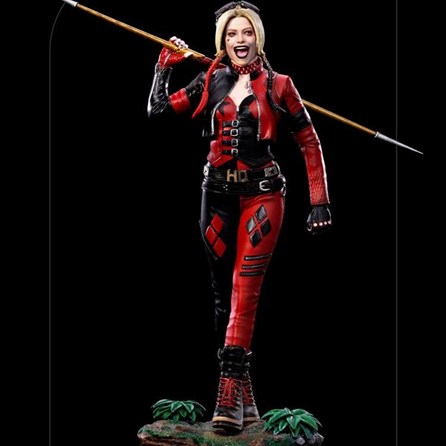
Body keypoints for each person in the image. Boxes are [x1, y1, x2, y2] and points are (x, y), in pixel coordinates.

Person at [147, 0, 332, 434]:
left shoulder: (280, 85)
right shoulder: (209, 78)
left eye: (247, 32)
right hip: (215, 197)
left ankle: (227, 393)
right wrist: (162, 68)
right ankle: (244, 394)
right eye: (232, 34)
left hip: (262, 197)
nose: (240, 40)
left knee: (244, 291)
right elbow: (158, 111)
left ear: (258, 37)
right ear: (223, 41)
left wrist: (319, 200)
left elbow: (309, 141)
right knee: (220, 297)